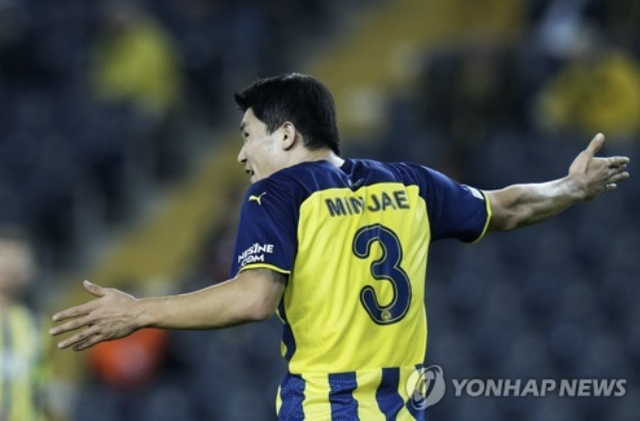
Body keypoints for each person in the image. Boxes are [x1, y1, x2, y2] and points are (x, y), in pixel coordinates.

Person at [50, 73, 630, 420]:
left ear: (286, 134)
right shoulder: (409, 182)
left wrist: (140, 312)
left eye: (248, 136)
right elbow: (509, 207)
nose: (242, 154)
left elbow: (254, 298)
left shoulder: (277, 194)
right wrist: (571, 187)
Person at [0, 226, 48, 421]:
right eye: (5, 255)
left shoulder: (37, 325)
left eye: (19, 257)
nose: (12, 265)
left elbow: (39, 387)